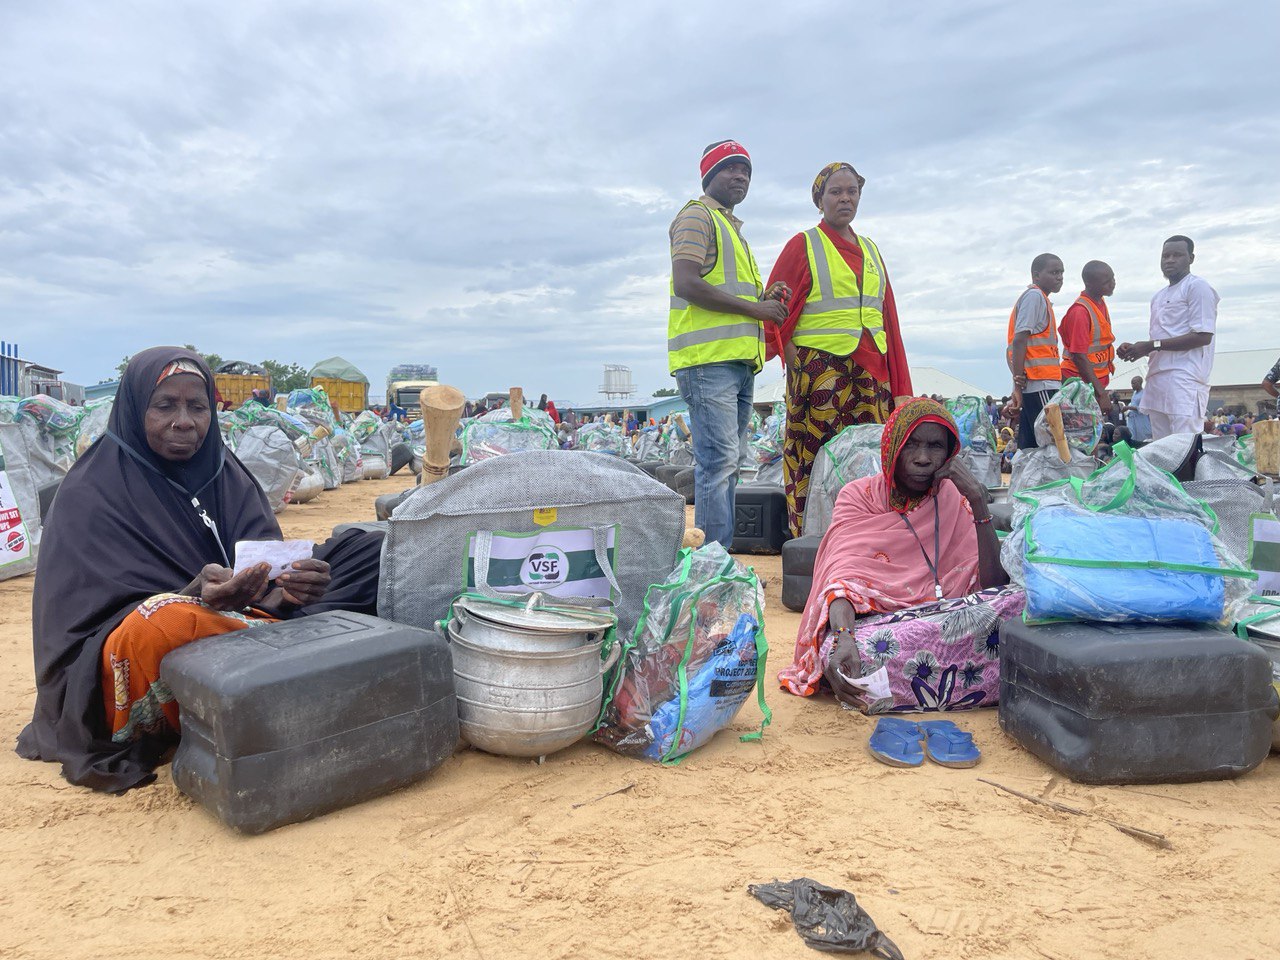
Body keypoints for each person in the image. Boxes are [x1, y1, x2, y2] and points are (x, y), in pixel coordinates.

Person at [16, 347, 385, 793]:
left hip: (240, 623)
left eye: (198, 406)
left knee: (367, 550)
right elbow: (93, 624)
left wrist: (289, 589)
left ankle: (273, 671)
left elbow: (263, 565)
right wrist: (192, 594)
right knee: (165, 619)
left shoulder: (224, 472)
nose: (184, 421)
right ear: (134, 410)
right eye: (165, 406)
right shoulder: (90, 493)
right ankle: (287, 674)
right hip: (148, 647)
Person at [778, 398, 1022, 703]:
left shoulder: (955, 497)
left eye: (935, 447)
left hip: (949, 622)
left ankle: (909, 690)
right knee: (849, 652)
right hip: (882, 628)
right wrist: (844, 636)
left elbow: (993, 587)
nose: (923, 458)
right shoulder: (860, 496)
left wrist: (976, 500)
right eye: (912, 445)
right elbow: (841, 578)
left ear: (950, 454)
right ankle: (964, 687)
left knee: (1018, 602)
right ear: (892, 448)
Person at [764, 162, 913, 537]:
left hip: (872, 378)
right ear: (820, 199)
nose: (845, 198)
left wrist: (901, 389)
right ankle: (812, 540)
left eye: (852, 191)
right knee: (813, 462)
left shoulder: (872, 250)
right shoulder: (804, 245)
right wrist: (794, 358)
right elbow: (773, 307)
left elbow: (889, 320)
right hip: (821, 379)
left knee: (867, 463)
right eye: (836, 192)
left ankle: (870, 538)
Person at [668, 139, 790, 548]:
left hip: (735, 362)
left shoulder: (732, 230)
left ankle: (718, 556)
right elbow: (687, 283)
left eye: (747, 171)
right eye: (730, 168)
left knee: (730, 464)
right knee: (718, 465)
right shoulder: (696, 217)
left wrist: (762, 299)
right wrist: (757, 311)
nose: (741, 176)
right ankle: (712, 563)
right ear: (709, 176)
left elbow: (726, 292)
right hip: (709, 363)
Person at [1117, 236, 1219, 439]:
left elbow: (1202, 336)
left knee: (1185, 446)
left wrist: (1150, 346)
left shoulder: (1197, 287)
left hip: (1184, 378)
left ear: (1191, 258)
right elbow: (1161, 339)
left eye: (1177, 255)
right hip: (1157, 378)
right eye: (1165, 255)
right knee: (1161, 450)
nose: (1170, 260)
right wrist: (1137, 349)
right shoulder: (1158, 296)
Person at [1006, 254, 1065, 450]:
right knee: (1052, 442)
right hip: (1040, 383)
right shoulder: (1034, 297)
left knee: (1032, 444)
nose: (1059, 277)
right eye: (1054, 272)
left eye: (1062, 272)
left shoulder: (1041, 299)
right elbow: (1020, 339)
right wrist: (1017, 381)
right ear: (1036, 275)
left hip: (1041, 383)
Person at [1059, 260, 1117, 418]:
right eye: (1106, 282)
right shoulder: (1080, 312)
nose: (1112, 283)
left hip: (1092, 382)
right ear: (1090, 284)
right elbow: (1079, 356)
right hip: (1079, 384)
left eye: (1113, 278)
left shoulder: (1100, 302)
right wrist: (1101, 393)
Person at [1125, 375, 1152, 443]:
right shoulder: (1134, 393)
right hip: (1133, 419)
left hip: (1141, 419)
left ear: (1139, 383)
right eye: (1131, 383)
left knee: (1143, 438)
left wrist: (1129, 407)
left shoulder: (1144, 393)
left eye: (1133, 383)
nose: (1132, 385)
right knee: (1133, 437)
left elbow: (1144, 408)